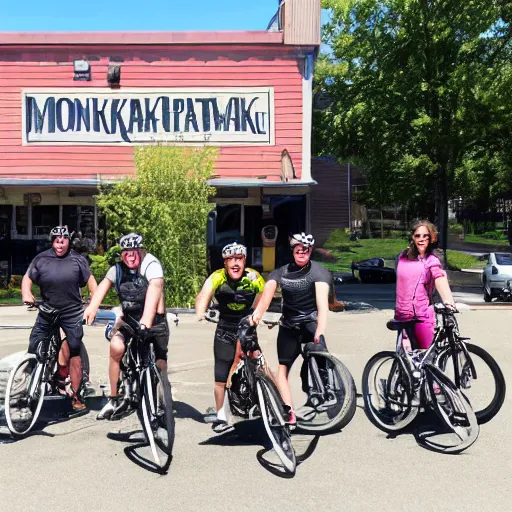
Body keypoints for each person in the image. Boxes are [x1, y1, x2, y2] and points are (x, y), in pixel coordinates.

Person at [84, 233, 169, 420]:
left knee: (160, 363)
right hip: (130, 319)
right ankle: (114, 398)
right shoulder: (117, 270)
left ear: (141, 251)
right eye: (126, 253)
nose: (130, 256)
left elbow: (155, 290)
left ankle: (163, 401)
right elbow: (102, 288)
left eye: (134, 252)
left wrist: (146, 322)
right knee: (116, 347)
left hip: (155, 320)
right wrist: (92, 307)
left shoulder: (151, 264)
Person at [250, 232, 332, 426]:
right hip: (289, 325)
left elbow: (322, 306)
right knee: (282, 368)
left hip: (310, 322)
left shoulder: (318, 272)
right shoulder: (280, 272)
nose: (302, 253)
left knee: (320, 356)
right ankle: (288, 411)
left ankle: (325, 392)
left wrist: (320, 330)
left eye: (306, 250)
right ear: (293, 251)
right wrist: (254, 318)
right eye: (298, 250)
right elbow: (265, 299)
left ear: (310, 251)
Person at [21, 225, 98, 411]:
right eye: (57, 240)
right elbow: (27, 278)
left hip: (71, 312)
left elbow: (91, 281)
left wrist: (92, 303)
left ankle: (76, 395)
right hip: (47, 310)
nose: (60, 243)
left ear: (68, 241)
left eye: (63, 240)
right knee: (35, 345)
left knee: (73, 349)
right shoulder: (41, 258)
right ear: (52, 241)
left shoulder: (77, 260)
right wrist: (26, 293)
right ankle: (31, 388)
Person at [195, 242, 265, 433]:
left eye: (239, 259)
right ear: (225, 262)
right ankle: (220, 416)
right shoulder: (217, 277)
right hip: (225, 329)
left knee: (260, 367)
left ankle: (271, 403)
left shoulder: (254, 277)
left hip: (247, 328)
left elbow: (262, 299)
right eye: (231, 260)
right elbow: (203, 295)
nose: (235, 264)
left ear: (245, 261)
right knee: (220, 377)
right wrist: (201, 312)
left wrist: (258, 316)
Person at [395, 220, 456, 350]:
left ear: (432, 238)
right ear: (412, 237)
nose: (421, 239)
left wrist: (449, 302)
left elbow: (439, 277)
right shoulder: (402, 257)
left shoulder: (432, 260)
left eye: (425, 236)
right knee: (405, 360)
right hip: (403, 316)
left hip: (422, 316)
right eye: (417, 236)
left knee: (425, 359)